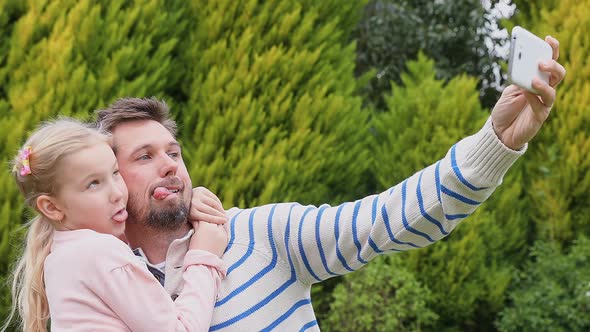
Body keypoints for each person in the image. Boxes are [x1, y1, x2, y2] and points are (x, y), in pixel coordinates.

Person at [95, 37, 566, 331]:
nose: (170, 166)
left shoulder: (261, 235)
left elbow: (388, 220)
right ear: (111, 181)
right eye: (145, 156)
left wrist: (495, 142)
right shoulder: (99, 283)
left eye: (174, 152)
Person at [2, 118, 228, 332]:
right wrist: (203, 256)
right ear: (52, 208)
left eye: (115, 173)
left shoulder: (62, 254)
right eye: (93, 184)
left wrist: (185, 200)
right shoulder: (102, 253)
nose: (117, 193)